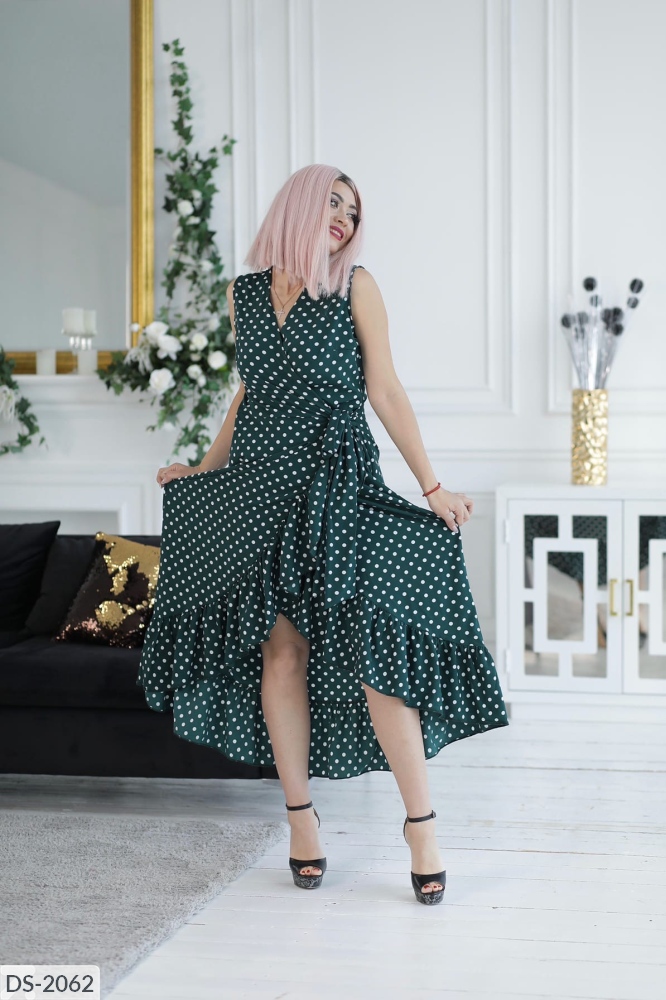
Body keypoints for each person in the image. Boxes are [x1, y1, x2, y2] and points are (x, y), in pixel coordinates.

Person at [141, 164, 509, 906]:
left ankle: (421, 826)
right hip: (261, 488)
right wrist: (204, 468)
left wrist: (431, 486)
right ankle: (301, 820)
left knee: (376, 652)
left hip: (340, 484)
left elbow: (385, 389)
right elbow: (249, 393)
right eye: (333, 202)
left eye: (353, 210)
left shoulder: (355, 287)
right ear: (300, 206)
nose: (344, 217)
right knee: (281, 654)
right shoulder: (244, 294)